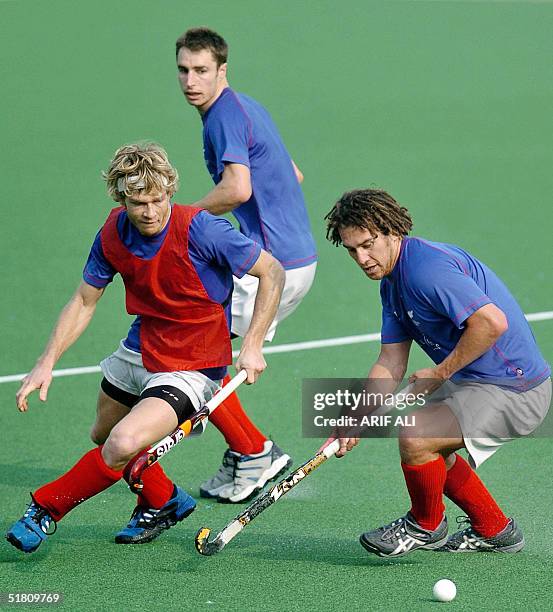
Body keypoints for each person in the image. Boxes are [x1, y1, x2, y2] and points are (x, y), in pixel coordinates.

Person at [6, 142, 284, 554]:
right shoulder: (112, 231)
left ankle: (44, 509)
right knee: (103, 435)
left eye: (158, 199)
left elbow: (272, 271)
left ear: (170, 191)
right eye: (139, 202)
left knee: (121, 444)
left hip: (192, 364)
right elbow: (84, 300)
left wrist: (254, 344)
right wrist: (46, 361)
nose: (150, 211)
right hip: (139, 347)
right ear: (121, 197)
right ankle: (164, 499)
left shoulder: (202, 228)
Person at [321, 188, 551, 558]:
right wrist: (356, 416)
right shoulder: (392, 285)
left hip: (516, 388)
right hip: (478, 382)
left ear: (390, 231)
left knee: (417, 436)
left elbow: (491, 323)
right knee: (429, 447)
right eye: (352, 250)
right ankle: (495, 530)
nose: (362, 258)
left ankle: (425, 526)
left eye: (367, 245)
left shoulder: (425, 270)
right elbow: (391, 362)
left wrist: (440, 372)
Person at [174, 27, 318, 503]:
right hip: (295, 258)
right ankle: (244, 452)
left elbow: (238, 189)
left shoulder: (221, 118)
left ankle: (253, 451)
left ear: (221, 71)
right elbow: (292, 172)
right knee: (201, 351)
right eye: (183, 70)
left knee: (197, 358)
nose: (191, 80)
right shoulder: (246, 107)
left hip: (270, 267)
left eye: (201, 70)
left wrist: (184, 219)